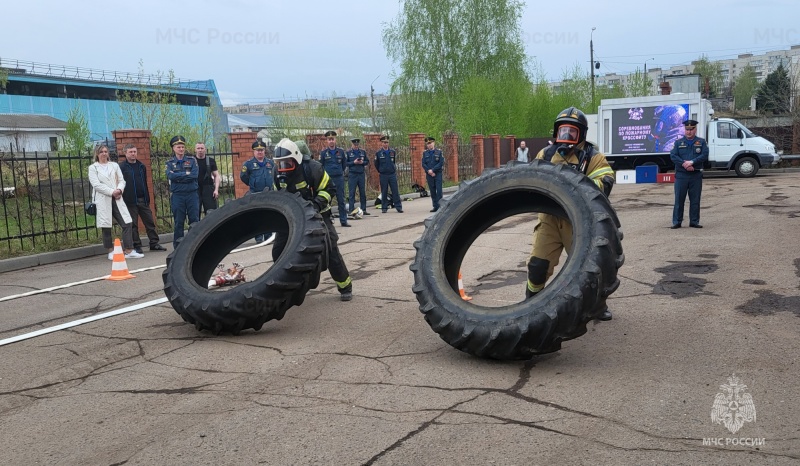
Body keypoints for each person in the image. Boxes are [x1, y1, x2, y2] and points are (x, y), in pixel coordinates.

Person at [526, 107, 616, 321]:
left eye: (572, 132)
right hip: (549, 220)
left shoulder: (593, 157)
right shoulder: (546, 154)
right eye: (562, 131)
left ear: (582, 135)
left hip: (579, 223)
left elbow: (605, 183)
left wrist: (573, 183)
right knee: (538, 266)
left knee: (592, 268)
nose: (566, 137)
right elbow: (532, 179)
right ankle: (530, 303)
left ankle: (598, 305)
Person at [272, 138, 353, 301]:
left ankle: (345, 287)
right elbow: (276, 196)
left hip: (319, 214)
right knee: (279, 251)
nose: (283, 168)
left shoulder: (313, 169)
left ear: (296, 158)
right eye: (279, 164)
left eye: (286, 163)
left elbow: (329, 189)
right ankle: (290, 287)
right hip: (291, 217)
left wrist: (315, 205)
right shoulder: (278, 173)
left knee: (330, 250)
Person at [87, 144, 143, 260]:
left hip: (117, 198)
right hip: (103, 199)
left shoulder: (114, 166)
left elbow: (122, 180)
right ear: (97, 154)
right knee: (106, 225)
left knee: (127, 222)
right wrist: (112, 191)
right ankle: (110, 250)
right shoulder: (93, 168)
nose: (104, 153)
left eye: (106, 151)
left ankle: (129, 250)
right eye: (101, 151)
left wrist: (119, 190)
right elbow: (96, 185)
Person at [117, 143, 167, 253]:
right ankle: (137, 245)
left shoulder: (141, 166)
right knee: (133, 225)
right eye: (130, 152)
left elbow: (145, 182)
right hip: (130, 200)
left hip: (143, 199)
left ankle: (154, 243)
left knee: (149, 222)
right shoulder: (121, 167)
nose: (133, 154)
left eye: (134, 151)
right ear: (125, 153)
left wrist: (147, 197)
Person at [670, 119, 708, 229]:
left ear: (695, 129)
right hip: (681, 175)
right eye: (687, 129)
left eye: (691, 129)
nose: (689, 132)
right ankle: (677, 221)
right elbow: (673, 156)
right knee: (679, 200)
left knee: (695, 200)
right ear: (684, 130)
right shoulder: (678, 143)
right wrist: (684, 164)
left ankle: (694, 221)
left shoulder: (701, 142)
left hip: (695, 175)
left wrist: (692, 162)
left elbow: (704, 155)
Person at [165, 135, 200, 249]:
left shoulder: (192, 160)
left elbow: (194, 175)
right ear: (173, 148)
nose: (181, 149)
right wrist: (186, 174)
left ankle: (195, 244)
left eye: (182, 147)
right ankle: (178, 247)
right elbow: (171, 176)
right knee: (179, 221)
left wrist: (178, 176)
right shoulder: (170, 163)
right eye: (178, 147)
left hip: (192, 194)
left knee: (194, 220)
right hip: (178, 196)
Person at [240, 140, 275, 243]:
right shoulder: (249, 164)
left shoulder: (270, 163)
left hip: (268, 193)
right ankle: (259, 238)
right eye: (257, 150)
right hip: (255, 193)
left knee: (268, 214)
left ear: (265, 151)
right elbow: (243, 177)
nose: (260, 152)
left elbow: (273, 175)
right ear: (254, 152)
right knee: (257, 215)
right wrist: (253, 184)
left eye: (262, 150)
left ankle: (268, 237)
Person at [320, 130, 350, 227]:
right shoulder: (324, 153)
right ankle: (327, 221)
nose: (331, 141)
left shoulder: (340, 152)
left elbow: (344, 164)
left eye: (332, 139)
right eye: (329, 139)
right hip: (328, 180)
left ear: (335, 140)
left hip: (339, 179)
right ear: (327, 141)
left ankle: (343, 220)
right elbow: (321, 166)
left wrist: (339, 172)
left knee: (341, 200)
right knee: (327, 201)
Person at [374, 135, 403, 213]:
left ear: (388, 143)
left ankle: (398, 207)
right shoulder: (379, 153)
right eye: (384, 142)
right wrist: (381, 170)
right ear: (381, 143)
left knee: (395, 191)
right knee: (384, 191)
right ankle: (384, 207)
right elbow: (376, 164)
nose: (385, 144)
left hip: (392, 174)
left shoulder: (392, 152)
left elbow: (393, 162)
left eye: (387, 142)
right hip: (383, 175)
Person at [194, 142, 220, 218]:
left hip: (208, 189)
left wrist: (216, 190)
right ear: (195, 149)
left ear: (205, 149)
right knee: (195, 213)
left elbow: (216, 175)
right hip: (195, 189)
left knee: (211, 213)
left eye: (202, 148)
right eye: (198, 148)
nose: (200, 150)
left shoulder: (211, 161)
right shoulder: (191, 161)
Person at [346, 138, 370, 216]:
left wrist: (362, 162)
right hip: (352, 174)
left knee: (362, 192)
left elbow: (367, 161)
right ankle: (351, 210)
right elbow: (346, 163)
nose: (356, 146)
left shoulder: (362, 152)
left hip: (361, 174)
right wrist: (354, 162)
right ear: (352, 144)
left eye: (357, 145)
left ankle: (364, 209)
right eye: (354, 145)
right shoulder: (348, 153)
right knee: (352, 193)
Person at [421, 136, 444, 212]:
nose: (429, 145)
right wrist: (429, 171)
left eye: (430, 143)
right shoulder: (425, 153)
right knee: (432, 191)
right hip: (429, 175)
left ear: (434, 143)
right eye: (427, 144)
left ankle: (440, 206)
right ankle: (435, 206)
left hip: (437, 174)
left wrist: (433, 170)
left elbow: (440, 163)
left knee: (439, 190)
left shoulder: (439, 152)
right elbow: (423, 164)